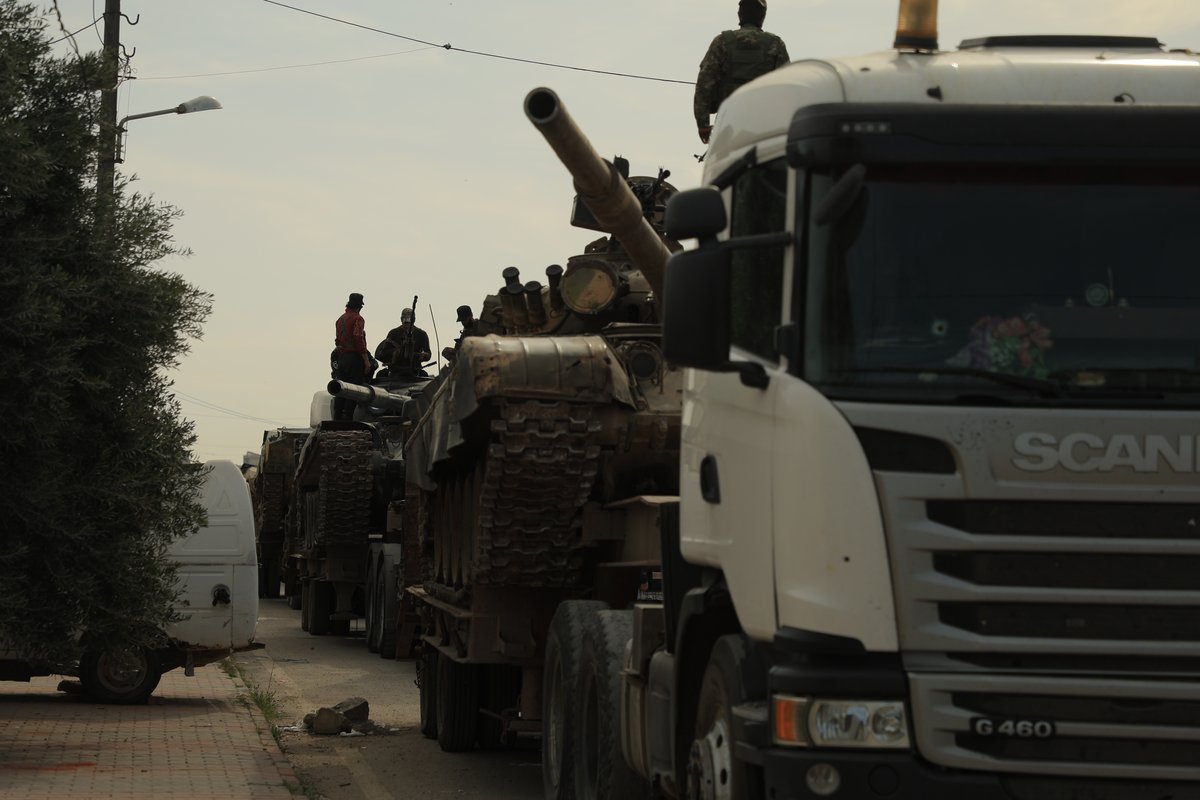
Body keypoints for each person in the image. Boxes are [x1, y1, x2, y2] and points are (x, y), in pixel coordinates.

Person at [694, 0, 790, 144]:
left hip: (728, 124)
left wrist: (703, 124)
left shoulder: (722, 42)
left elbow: (704, 83)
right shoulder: (775, 44)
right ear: (762, 16)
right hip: (764, 126)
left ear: (740, 14)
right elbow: (787, 88)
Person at [333, 292, 371, 420]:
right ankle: (348, 418)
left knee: (342, 388)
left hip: (342, 358)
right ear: (359, 307)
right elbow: (358, 339)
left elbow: (337, 341)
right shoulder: (358, 319)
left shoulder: (340, 319)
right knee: (354, 389)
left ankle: (337, 417)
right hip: (354, 358)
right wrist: (366, 360)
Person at [375, 308, 431, 377]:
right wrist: (396, 353)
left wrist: (424, 355)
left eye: (409, 320)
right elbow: (383, 353)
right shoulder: (393, 333)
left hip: (415, 371)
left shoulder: (421, 334)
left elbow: (428, 353)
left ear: (413, 320)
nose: (406, 323)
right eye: (404, 319)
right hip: (395, 371)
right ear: (401, 319)